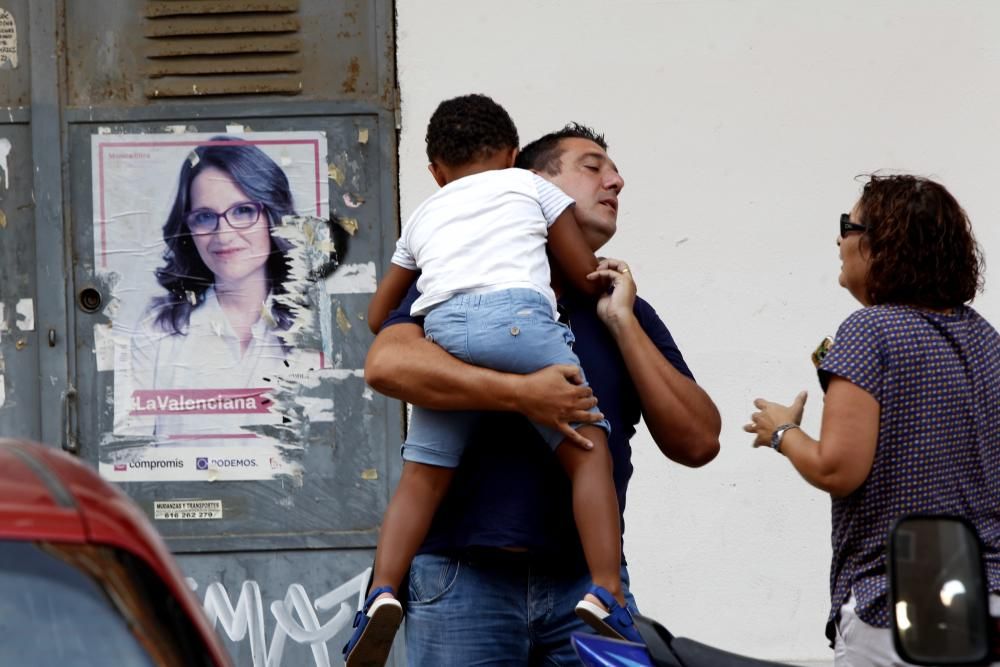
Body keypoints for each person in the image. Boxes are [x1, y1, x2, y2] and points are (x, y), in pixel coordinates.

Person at [363, 123, 721, 665]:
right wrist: (522, 393)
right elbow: (386, 364)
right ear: (528, 183)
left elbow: (698, 442)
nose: (616, 181)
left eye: (614, 170)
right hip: (462, 581)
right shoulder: (454, 285)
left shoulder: (625, 310)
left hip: (585, 589)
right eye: (592, 166)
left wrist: (621, 322)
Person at [344, 95, 635, 666]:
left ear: (435, 170)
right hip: (520, 322)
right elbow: (579, 272)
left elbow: (380, 317)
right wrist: (611, 282)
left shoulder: (425, 215)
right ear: (511, 153)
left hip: (445, 331)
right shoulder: (529, 188)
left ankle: (379, 594)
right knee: (587, 449)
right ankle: (606, 590)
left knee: (423, 474)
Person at [744, 174, 1000, 666]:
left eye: (848, 225)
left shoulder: (870, 330)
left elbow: (837, 469)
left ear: (882, 242)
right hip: (988, 599)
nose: (839, 240)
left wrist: (782, 432)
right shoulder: (985, 339)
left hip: (903, 610)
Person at [127, 137, 310, 440]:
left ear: (273, 217)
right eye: (205, 216)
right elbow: (133, 453)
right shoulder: (157, 329)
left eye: (242, 211)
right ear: (188, 229)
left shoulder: (317, 324)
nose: (223, 235)